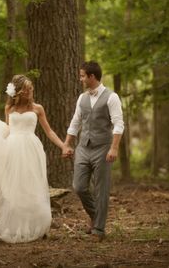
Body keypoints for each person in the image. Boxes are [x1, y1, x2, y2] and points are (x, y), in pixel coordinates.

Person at [0, 74, 71, 243]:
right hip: (12, 149)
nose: (30, 92)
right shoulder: (10, 109)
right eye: (27, 89)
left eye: (31, 89)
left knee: (32, 186)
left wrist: (63, 146)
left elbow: (49, 131)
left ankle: (38, 226)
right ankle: (19, 227)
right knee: (14, 188)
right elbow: (8, 129)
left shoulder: (38, 108)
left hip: (31, 149)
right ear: (19, 92)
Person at [64, 61, 124, 242]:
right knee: (79, 186)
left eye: (82, 76)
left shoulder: (112, 97)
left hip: (103, 148)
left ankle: (99, 229)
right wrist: (67, 144)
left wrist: (114, 147)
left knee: (101, 189)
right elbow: (76, 122)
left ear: (92, 76)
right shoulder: (82, 98)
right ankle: (95, 215)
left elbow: (118, 124)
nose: (80, 78)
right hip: (83, 147)